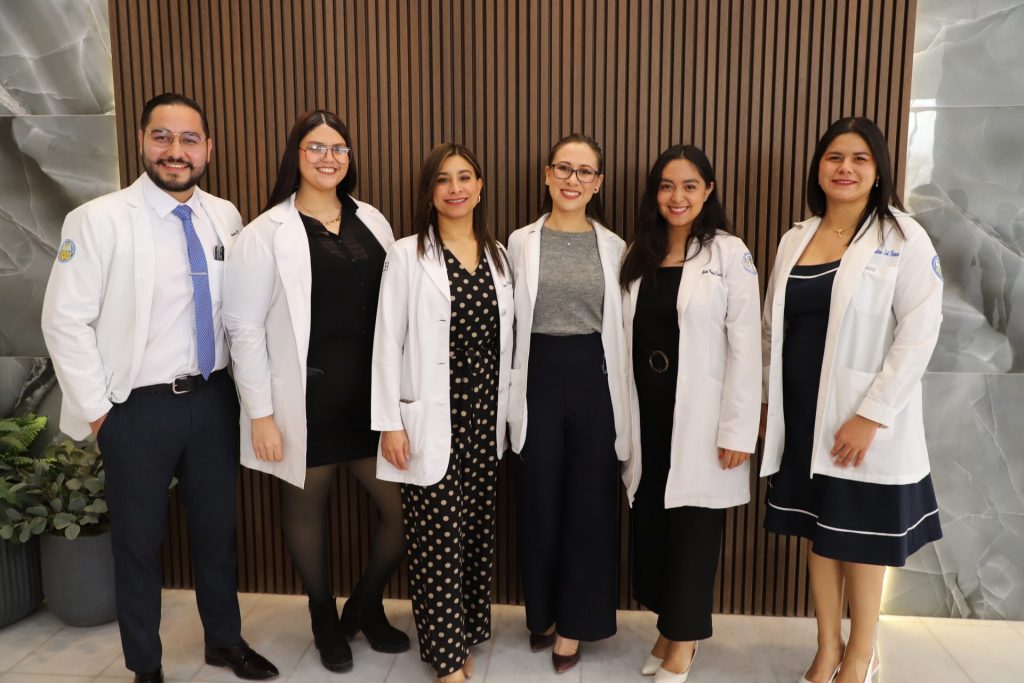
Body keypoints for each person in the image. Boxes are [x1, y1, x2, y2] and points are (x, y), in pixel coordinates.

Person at [40, 93, 278, 683]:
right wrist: (101, 416)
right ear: (142, 141)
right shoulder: (98, 219)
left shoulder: (225, 216)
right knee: (138, 546)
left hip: (213, 399)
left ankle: (224, 641)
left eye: (189, 139)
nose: (176, 151)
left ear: (208, 149)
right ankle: (146, 666)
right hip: (136, 410)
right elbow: (63, 321)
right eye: (162, 137)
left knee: (217, 534)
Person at [222, 110, 409, 673]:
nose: (329, 158)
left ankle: (365, 604)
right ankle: (323, 617)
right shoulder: (264, 233)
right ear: (295, 156)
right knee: (307, 509)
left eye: (339, 148)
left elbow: (397, 307)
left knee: (404, 510)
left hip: (371, 398)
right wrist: (260, 414)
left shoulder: (372, 219)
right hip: (305, 400)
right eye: (316, 148)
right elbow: (243, 327)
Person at [760, 117, 943, 683]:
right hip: (801, 412)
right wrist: (765, 403)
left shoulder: (904, 237)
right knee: (821, 534)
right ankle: (827, 646)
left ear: (879, 170)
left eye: (860, 158)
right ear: (818, 167)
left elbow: (920, 332)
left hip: (860, 418)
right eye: (834, 156)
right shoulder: (796, 237)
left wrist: (870, 415)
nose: (845, 168)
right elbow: (771, 329)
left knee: (862, 540)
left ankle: (861, 654)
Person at [371, 143, 513, 683]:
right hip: (431, 414)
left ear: (480, 187)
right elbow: (387, 342)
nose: (456, 188)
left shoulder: (499, 255)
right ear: (430, 191)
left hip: (484, 412)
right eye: (443, 179)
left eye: (465, 177)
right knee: (436, 537)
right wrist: (390, 422)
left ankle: (467, 634)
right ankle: (447, 658)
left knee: (474, 531)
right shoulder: (407, 254)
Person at [619, 144, 761, 683]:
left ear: (708, 191)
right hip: (648, 413)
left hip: (702, 416)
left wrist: (738, 430)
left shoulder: (728, 253)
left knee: (694, 530)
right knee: (654, 525)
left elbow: (747, 346)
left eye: (689, 186)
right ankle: (667, 627)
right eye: (666, 186)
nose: (676, 197)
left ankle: (685, 640)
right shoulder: (640, 252)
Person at [506, 134, 630, 674]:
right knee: (537, 500)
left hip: (593, 381)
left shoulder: (615, 246)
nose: (573, 180)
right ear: (547, 174)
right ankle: (543, 614)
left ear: (598, 183)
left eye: (585, 172)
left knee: (589, 504)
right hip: (535, 377)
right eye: (564, 168)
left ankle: (574, 625)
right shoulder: (519, 242)